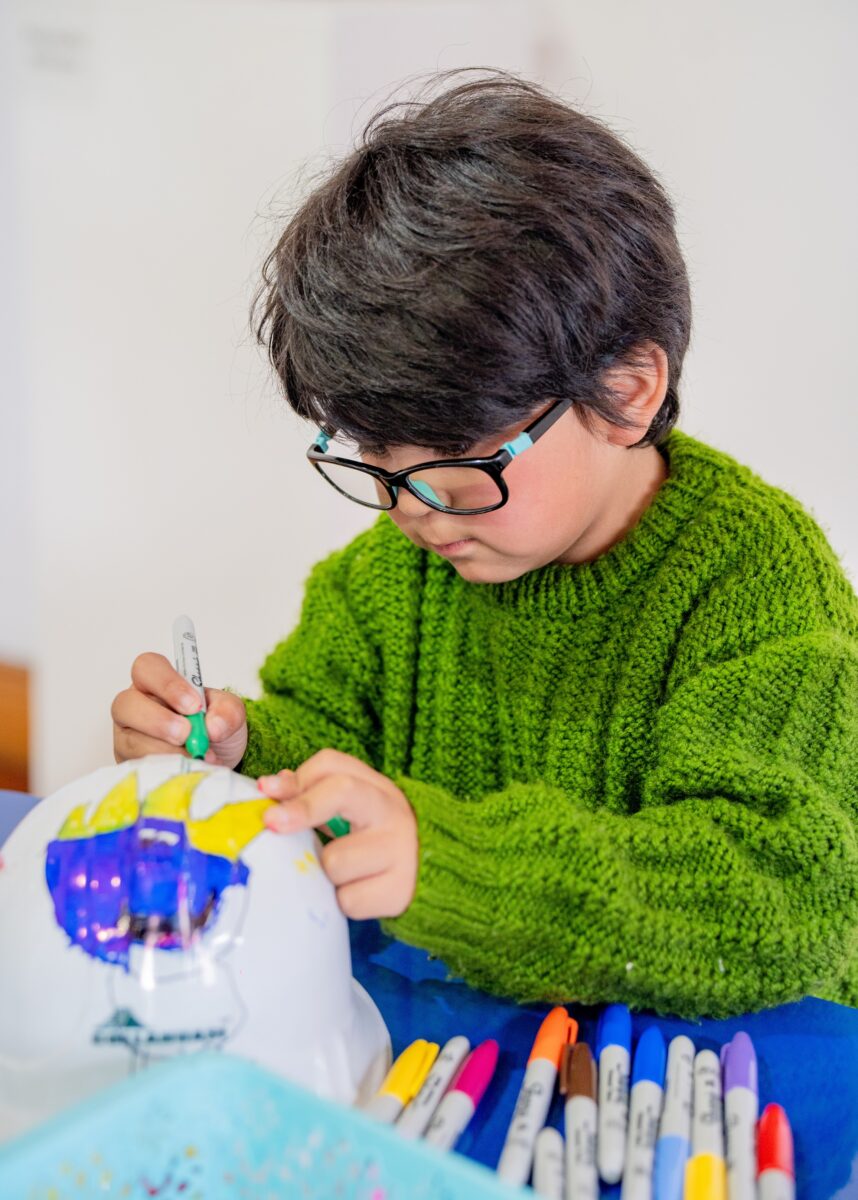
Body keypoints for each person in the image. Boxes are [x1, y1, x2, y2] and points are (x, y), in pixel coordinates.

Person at [111, 69, 858, 1018]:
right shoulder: (391, 577)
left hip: (718, 1071)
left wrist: (448, 858)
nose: (414, 512)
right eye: (378, 463)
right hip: (470, 1044)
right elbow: (333, 758)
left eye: (459, 471)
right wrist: (241, 750)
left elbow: (776, 898)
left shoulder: (756, 584)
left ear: (626, 391)